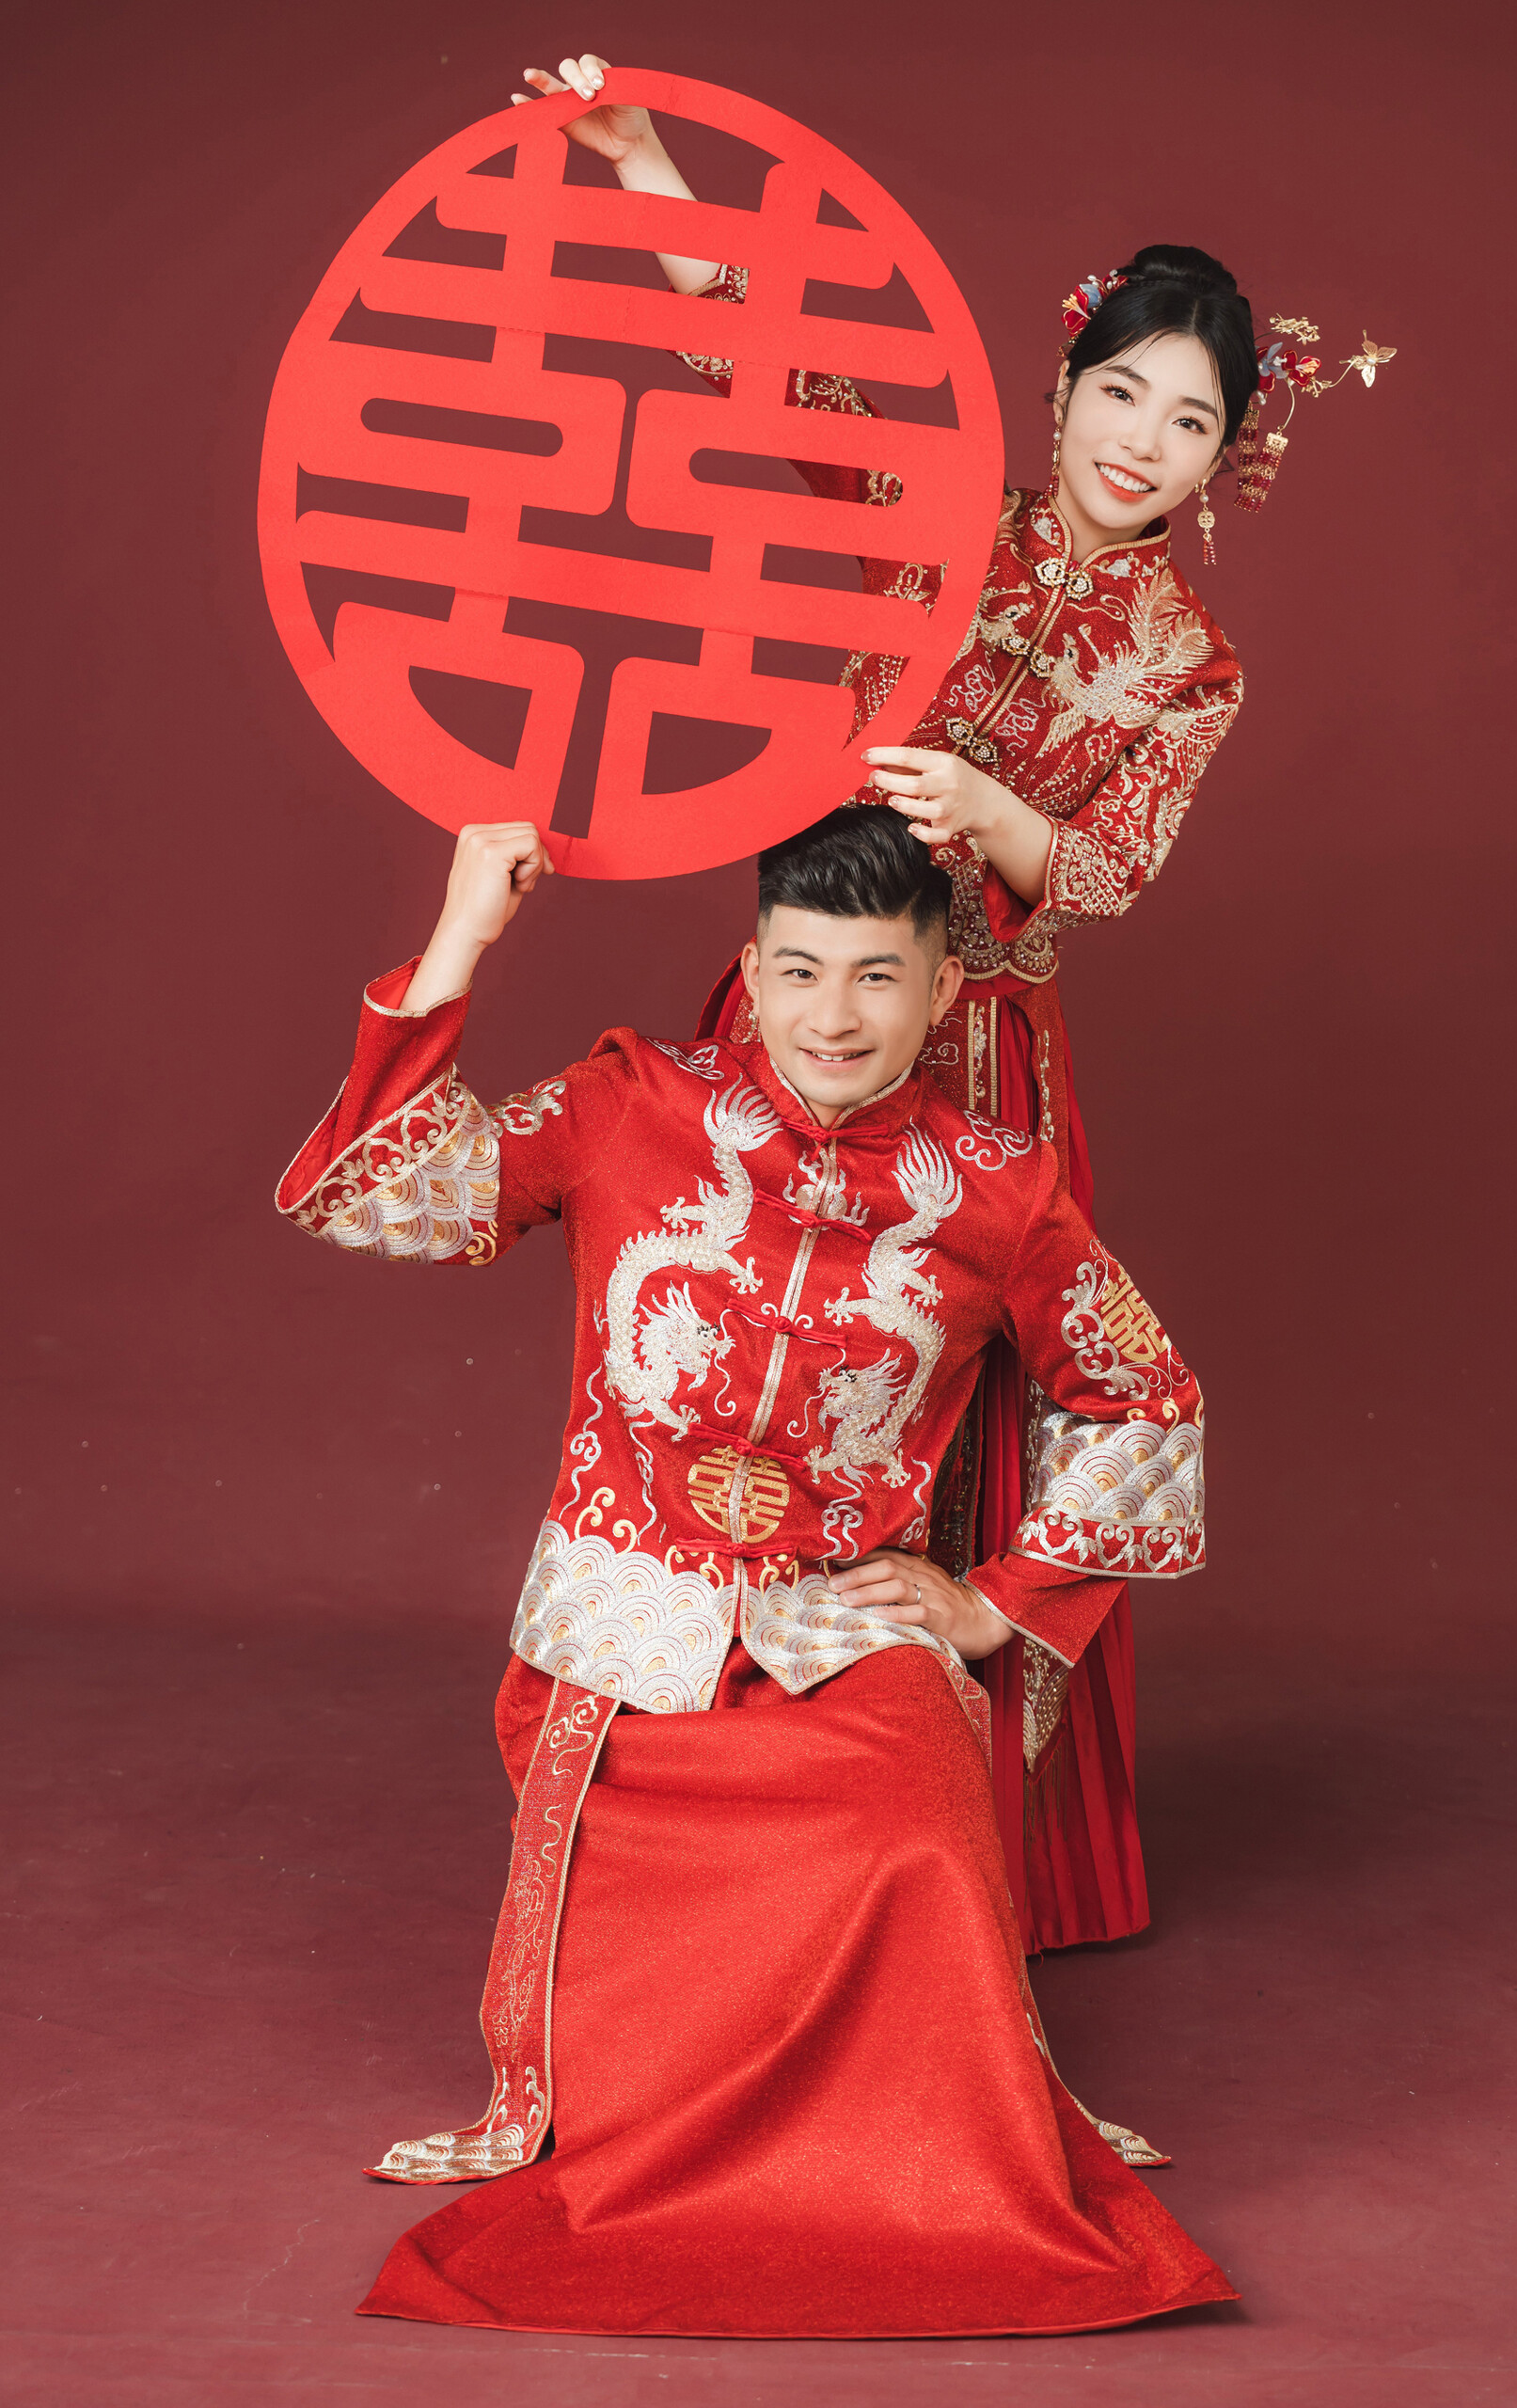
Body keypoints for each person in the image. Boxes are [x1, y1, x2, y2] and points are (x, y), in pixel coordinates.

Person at [277, 801, 1235, 2338]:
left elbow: (1148, 1401)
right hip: (624, 1660)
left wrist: (991, 1604)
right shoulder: (628, 1104)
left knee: (922, 1865)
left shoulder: (1000, 1187)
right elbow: (375, 1191)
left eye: (875, 976)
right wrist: (463, 933)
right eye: (799, 971)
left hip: (848, 1641)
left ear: (941, 989)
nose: (831, 1017)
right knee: (641, 2056)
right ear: (753, 964)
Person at [512, 51, 1257, 1954]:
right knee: (736, 1345)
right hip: (813, 996)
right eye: (1121, 394)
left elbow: (1110, 871)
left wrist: (993, 813)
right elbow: (774, 375)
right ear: (1063, 387)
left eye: (1188, 421)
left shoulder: (1193, 664)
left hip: (983, 1043)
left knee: (960, 1397)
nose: (1141, 443)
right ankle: (717, 1781)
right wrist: (640, 161)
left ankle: (964, 1840)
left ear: (1223, 458)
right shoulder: (943, 521)